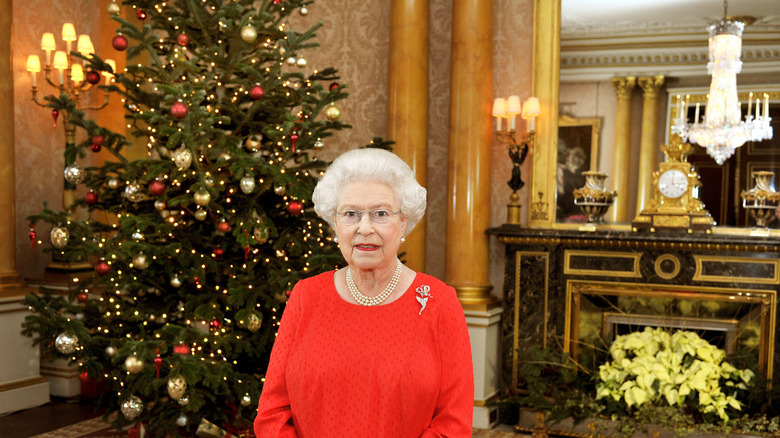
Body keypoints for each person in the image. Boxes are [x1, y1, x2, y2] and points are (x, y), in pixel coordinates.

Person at [254, 148, 474, 437]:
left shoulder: (438, 302)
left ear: (403, 221)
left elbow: (453, 424)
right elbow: (272, 413)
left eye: (381, 214)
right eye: (351, 214)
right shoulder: (305, 296)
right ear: (335, 224)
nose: (365, 228)